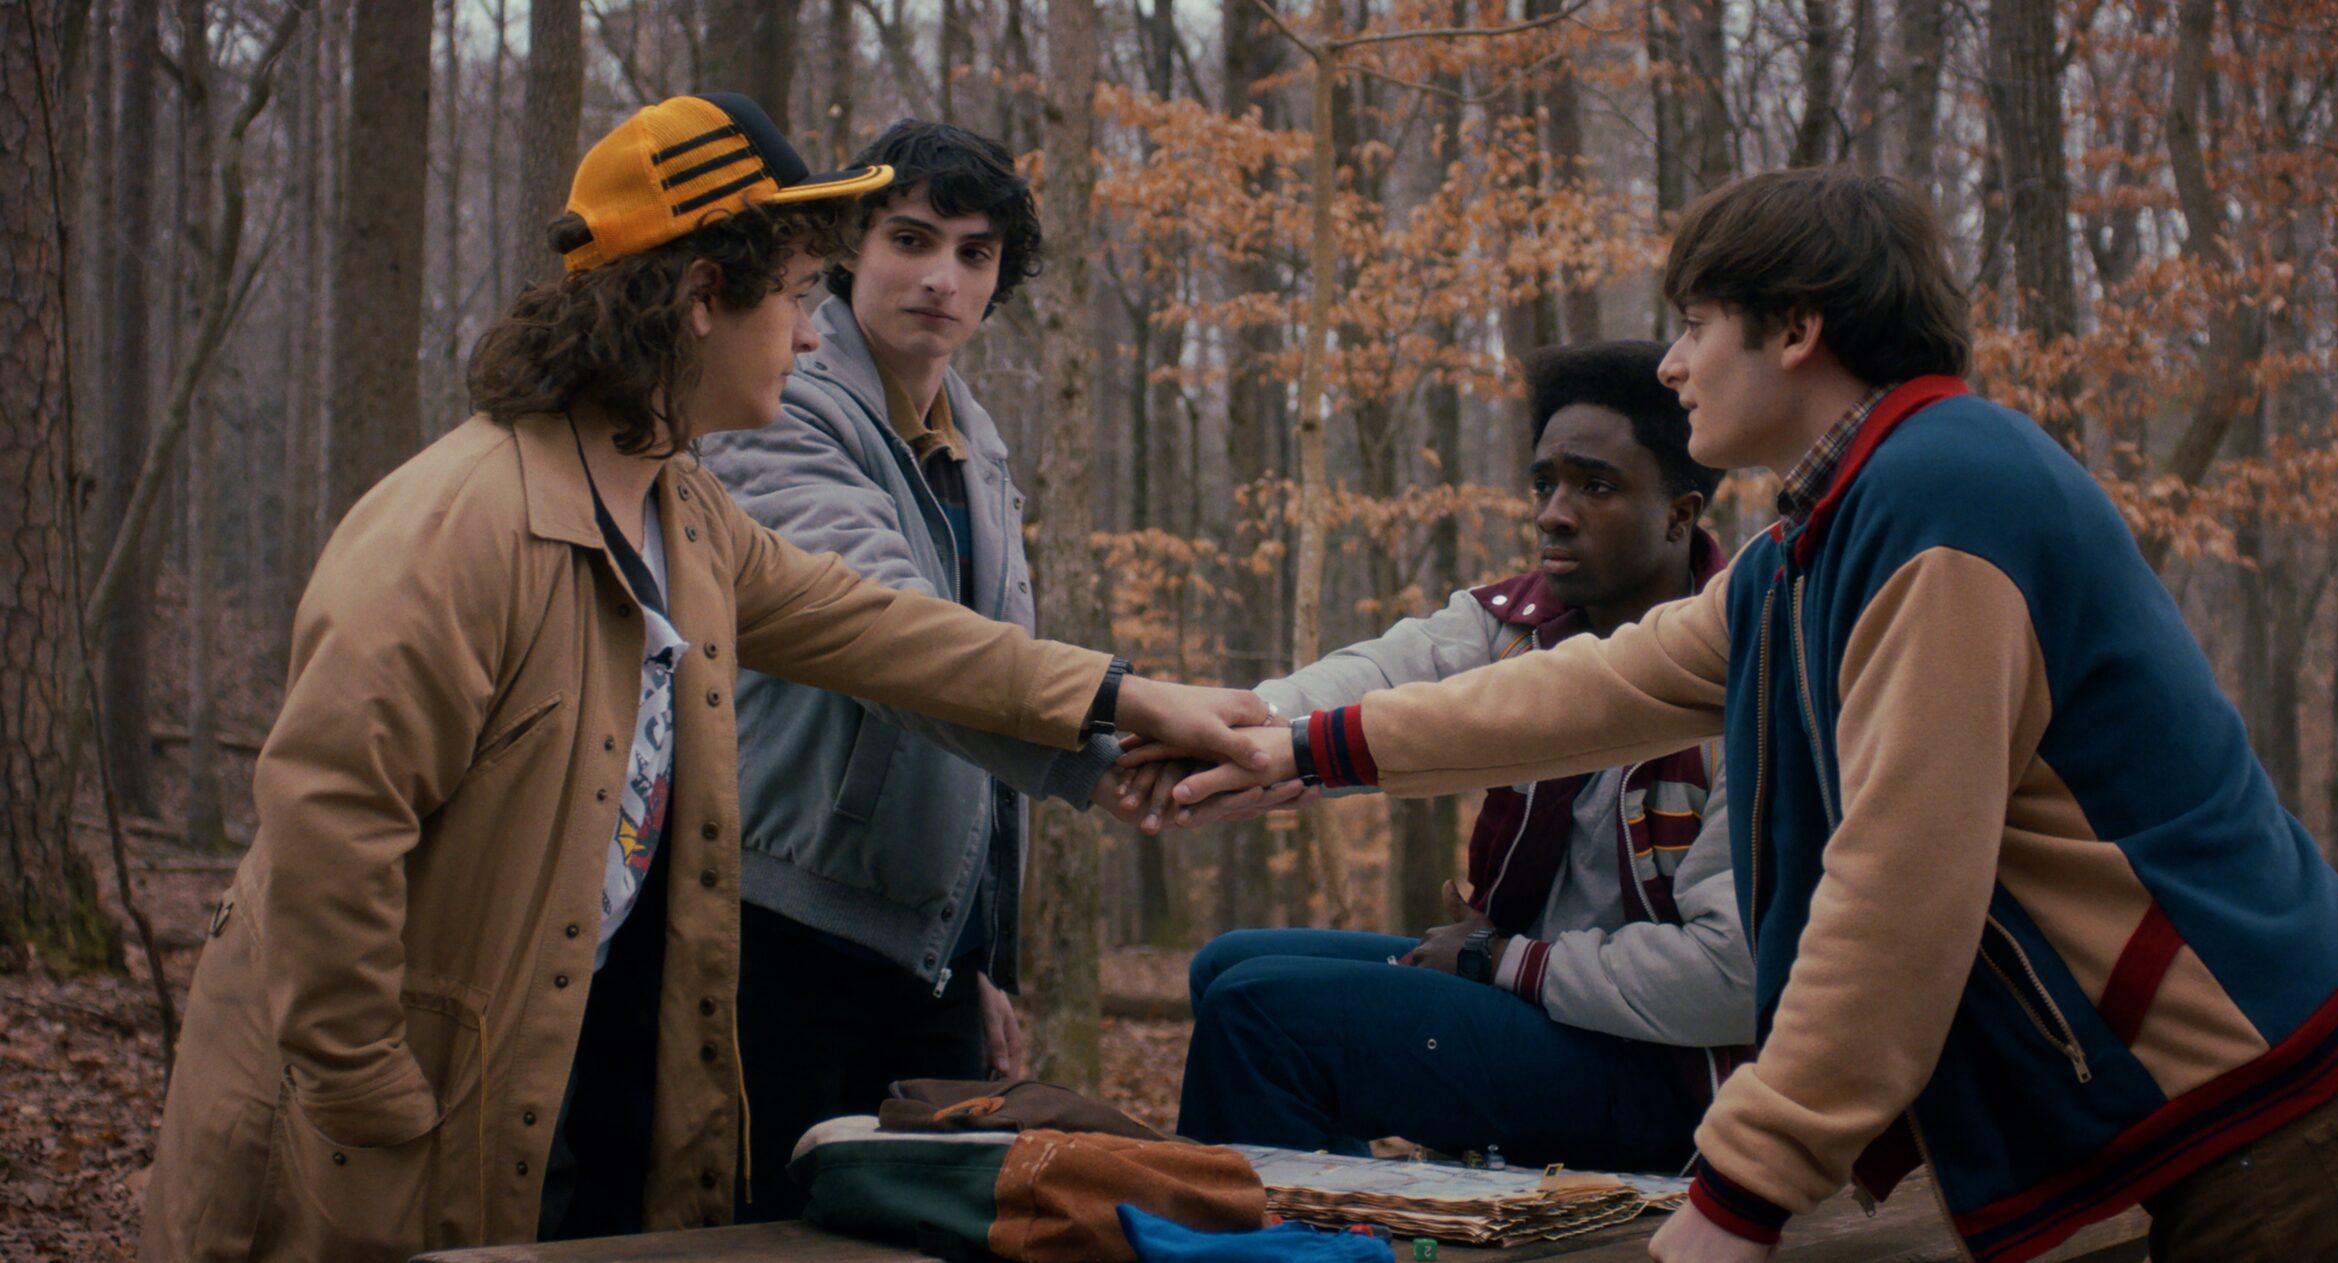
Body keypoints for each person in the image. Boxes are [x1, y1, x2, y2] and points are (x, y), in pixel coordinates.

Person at [1164, 169, 2338, 1262]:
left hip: (2310, 1134)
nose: (1673, 364)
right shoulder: (1822, 540)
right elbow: (1600, 685)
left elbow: (1897, 885)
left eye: (1696, 323)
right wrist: (1305, 746)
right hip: (2220, 1136)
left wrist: (1745, 1185)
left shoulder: (1944, 501)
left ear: (1794, 328)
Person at [139, 93, 1265, 1263]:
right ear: (698, 301)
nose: (812, 335)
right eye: (792, 295)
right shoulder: (459, 524)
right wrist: (369, 1093)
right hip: (362, 1126)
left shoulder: (680, 511)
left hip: (522, 1087)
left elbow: (883, 630)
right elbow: (329, 822)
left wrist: (1126, 700)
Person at [1166, 342, 1754, 1174]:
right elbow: (1373, 677)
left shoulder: (1743, 677)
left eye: (1595, 486)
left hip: (1669, 1074)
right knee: (1227, 964)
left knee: (1260, 1014)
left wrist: (1499, 959)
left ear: (1679, 514)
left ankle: (1287, 1224)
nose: (1553, 514)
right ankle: (1343, 1214)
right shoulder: (1516, 626)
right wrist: (1222, 732)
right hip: (1540, 1001)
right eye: (1543, 484)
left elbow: (1734, 979)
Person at [698, 120, 1135, 1220]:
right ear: (850, 246)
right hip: (778, 923)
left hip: (924, 951)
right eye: (911, 239)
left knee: (930, 1237)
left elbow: (978, 727)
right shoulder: (776, 402)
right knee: (768, 1233)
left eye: (975, 253)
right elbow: (904, 642)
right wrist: (1120, 742)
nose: (942, 278)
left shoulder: (976, 444)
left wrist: (974, 946)